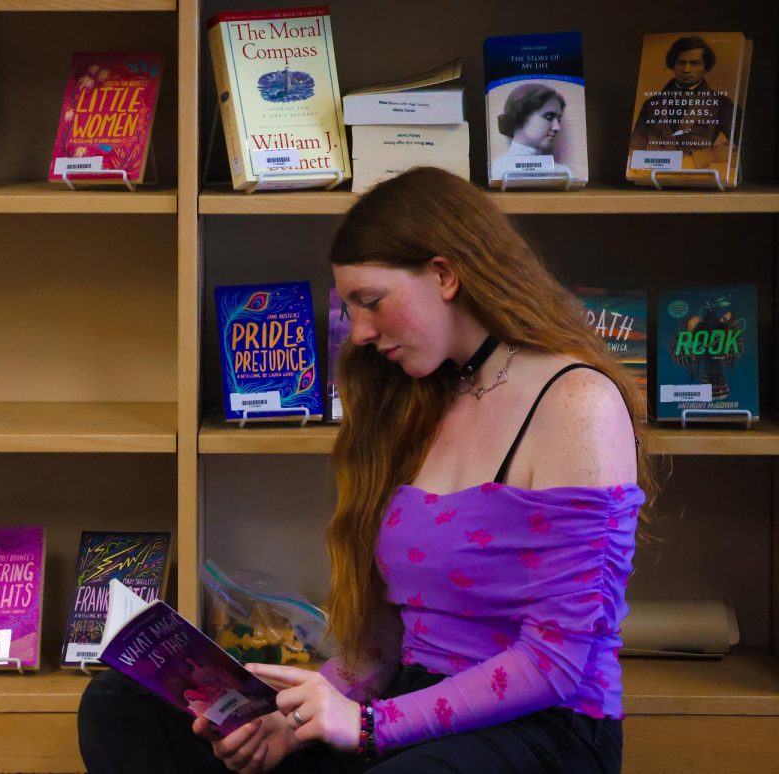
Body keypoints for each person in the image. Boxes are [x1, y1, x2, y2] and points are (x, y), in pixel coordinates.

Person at [77, 167, 655, 773]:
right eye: (348, 308)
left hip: (544, 727)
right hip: (404, 708)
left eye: (370, 302)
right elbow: (383, 644)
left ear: (445, 274)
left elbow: (557, 659)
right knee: (123, 703)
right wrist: (290, 717)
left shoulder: (576, 401)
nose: (359, 333)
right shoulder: (416, 399)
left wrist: (369, 725)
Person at [628, 35, 737, 172]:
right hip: (655, 175)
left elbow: (739, 150)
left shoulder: (722, 104)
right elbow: (634, 150)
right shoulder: (652, 104)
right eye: (681, 63)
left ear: (706, 67)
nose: (686, 69)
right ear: (672, 65)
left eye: (695, 63)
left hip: (698, 176)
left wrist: (699, 159)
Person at [490, 83, 571, 182]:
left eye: (558, 119)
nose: (557, 127)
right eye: (549, 117)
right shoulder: (497, 170)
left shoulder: (562, 173)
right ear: (521, 116)